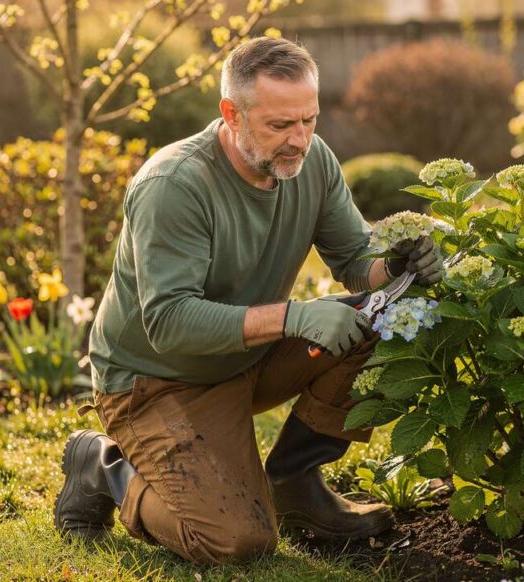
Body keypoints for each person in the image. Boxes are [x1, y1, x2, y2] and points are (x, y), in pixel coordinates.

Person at [52, 36, 443, 565]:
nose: (298, 140)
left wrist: (396, 266)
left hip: (248, 357)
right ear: (231, 113)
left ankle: (295, 484)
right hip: (157, 381)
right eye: (280, 125)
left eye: (309, 120)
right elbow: (168, 322)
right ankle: (103, 467)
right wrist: (295, 317)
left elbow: (354, 256)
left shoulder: (314, 162)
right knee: (237, 542)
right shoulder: (174, 185)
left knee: (383, 321)